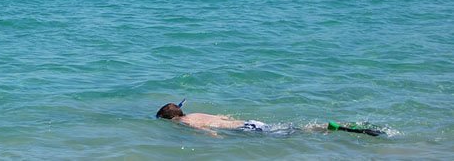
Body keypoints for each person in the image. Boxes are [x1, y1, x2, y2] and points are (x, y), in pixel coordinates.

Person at [156, 99, 382, 137]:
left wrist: (216, 137)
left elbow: (205, 130)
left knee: (301, 131)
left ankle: (339, 128)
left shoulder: (184, 121)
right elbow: (221, 117)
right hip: (249, 123)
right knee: (294, 129)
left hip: (248, 131)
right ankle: (341, 127)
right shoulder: (194, 113)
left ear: (170, 118)